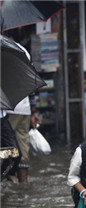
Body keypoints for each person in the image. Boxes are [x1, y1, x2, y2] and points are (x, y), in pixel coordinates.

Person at [3, 39, 40, 183]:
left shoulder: (4, 49)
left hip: (8, 108)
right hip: (24, 107)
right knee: (22, 145)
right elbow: (31, 81)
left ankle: (10, 177)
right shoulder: (22, 50)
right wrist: (34, 110)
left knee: (8, 146)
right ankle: (22, 183)